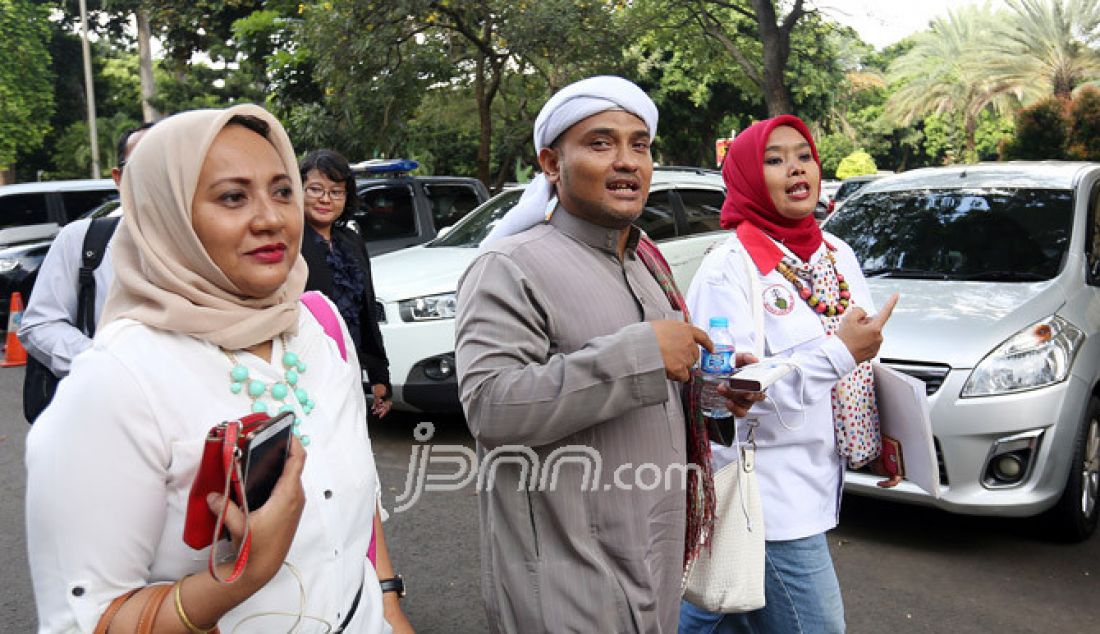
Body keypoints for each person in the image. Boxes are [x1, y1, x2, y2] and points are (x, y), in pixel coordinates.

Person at [25, 105, 413, 633]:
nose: (272, 218)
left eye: (282, 191)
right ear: (168, 214)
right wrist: (241, 576)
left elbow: (359, 491)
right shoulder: (116, 382)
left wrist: (388, 606)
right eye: (233, 196)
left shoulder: (317, 326)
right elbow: (87, 620)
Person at [456, 76, 754, 634]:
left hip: (657, 563)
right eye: (600, 143)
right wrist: (642, 354)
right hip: (569, 583)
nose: (626, 162)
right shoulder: (510, 265)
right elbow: (491, 408)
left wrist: (707, 389)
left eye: (639, 145)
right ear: (551, 163)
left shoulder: (648, 264)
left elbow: (651, 385)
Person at [680, 115, 898, 633]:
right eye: (774, 160)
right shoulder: (730, 266)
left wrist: (889, 436)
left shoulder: (836, 254)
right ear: (751, 178)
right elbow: (730, 393)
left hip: (817, 479)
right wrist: (840, 352)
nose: (795, 169)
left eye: (803, 155)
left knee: (717, 613)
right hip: (767, 495)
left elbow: (860, 366)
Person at [18, 123, 153, 380]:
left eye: (166, 165)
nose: (155, 176)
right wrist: (103, 362)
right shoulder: (81, 239)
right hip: (105, 401)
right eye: (141, 165)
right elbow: (41, 324)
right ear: (118, 178)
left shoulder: (214, 243)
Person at [299, 149, 392, 418]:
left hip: (350, 367)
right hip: (305, 371)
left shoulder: (351, 241)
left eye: (336, 191)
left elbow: (366, 311)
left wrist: (378, 374)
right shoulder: (288, 242)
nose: (325, 199)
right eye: (315, 189)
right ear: (298, 190)